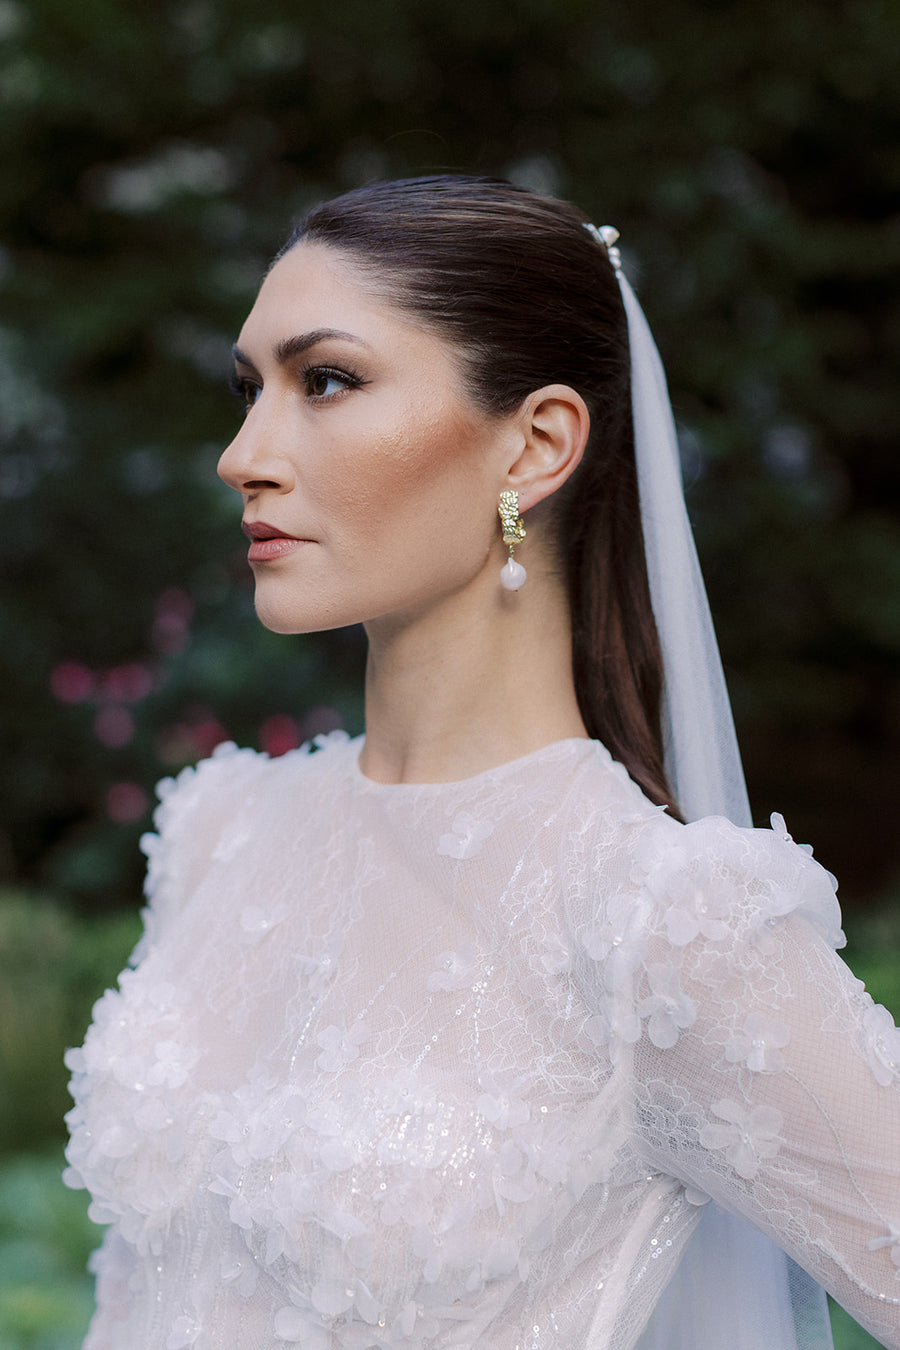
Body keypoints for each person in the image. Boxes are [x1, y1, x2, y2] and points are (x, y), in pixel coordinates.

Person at [63, 176, 900, 1350]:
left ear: (538, 443)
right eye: (250, 391)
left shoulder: (655, 927)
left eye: (329, 381)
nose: (241, 455)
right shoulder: (221, 833)